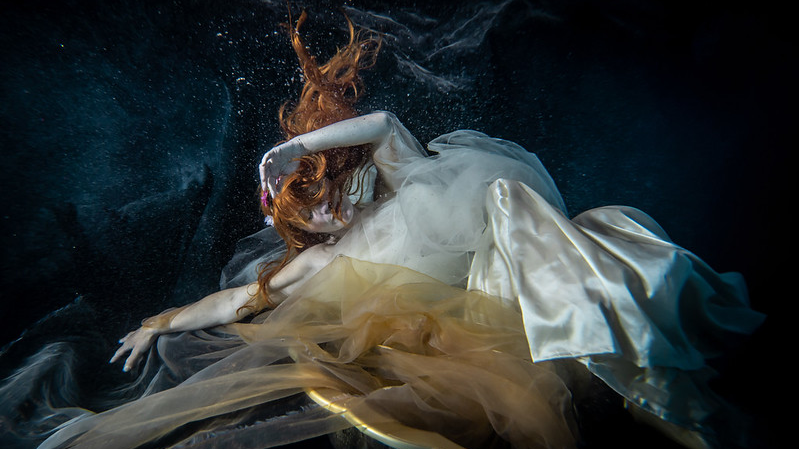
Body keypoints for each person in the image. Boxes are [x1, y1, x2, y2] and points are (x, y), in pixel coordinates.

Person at [42, 10, 763, 449]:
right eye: (314, 213)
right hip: (503, 294)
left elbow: (382, 123)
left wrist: (290, 149)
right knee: (588, 345)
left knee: (607, 274)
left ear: (337, 176)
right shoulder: (329, 258)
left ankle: (674, 390)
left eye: (326, 194)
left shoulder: (405, 169)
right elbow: (239, 302)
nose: (331, 213)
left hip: (529, 239)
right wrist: (160, 319)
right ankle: (674, 406)